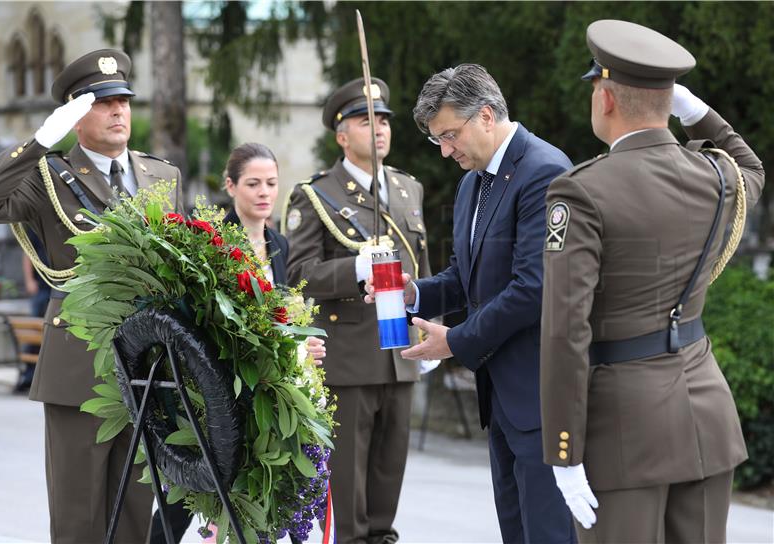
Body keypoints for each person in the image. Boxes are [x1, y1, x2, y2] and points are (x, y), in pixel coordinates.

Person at [539, 20, 765, 543]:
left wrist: (564, 451)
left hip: (624, 430)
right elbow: (751, 165)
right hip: (706, 414)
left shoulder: (579, 192)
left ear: (607, 98)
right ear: (668, 98)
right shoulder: (715, 176)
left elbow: (564, 332)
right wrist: (695, 112)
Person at [0, 49, 183, 543]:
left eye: (124, 101)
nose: (117, 111)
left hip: (146, 364)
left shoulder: (162, 176)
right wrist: (40, 141)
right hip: (80, 364)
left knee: (135, 510)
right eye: (102, 102)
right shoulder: (45, 177)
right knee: (78, 516)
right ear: (74, 114)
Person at [371, 63, 576, 543]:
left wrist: (456, 341)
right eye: (437, 140)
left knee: (548, 534)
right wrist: (415, 292)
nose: (445, 151)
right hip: (502, 396)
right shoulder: (472, 183)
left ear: (486, 115)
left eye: (449, 135)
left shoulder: (544, 171)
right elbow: (467, 278)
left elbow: (534, 288)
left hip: (542, 395)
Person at [148, 143, 325, 544]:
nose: (264, 192)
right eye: (253, 183)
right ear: (230, 186)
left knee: (252, 499)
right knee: (185, 494)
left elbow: (285, 316)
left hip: (265, 387)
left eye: (271, 183)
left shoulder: (280, 245)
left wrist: (303, 347)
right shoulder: (211, 244)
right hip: (217, 386)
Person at [283, 77, 431, 544]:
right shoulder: (316, 194)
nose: (380, 128)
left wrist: (431, 329)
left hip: (400, 356)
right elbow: (299, 275)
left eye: (385, 119)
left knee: (388, 492)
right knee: (349, 500)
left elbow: (422, 268)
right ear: (341, 135)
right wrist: (354, 268)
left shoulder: (408, 190)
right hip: (349, 361)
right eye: (366, 121)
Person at [15, 229, 51, 393]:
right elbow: (27, 254)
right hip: (41, 287)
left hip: (58, 286)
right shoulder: (35, 226)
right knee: (34, 331)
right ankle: (29, 375)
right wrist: (29, 280)